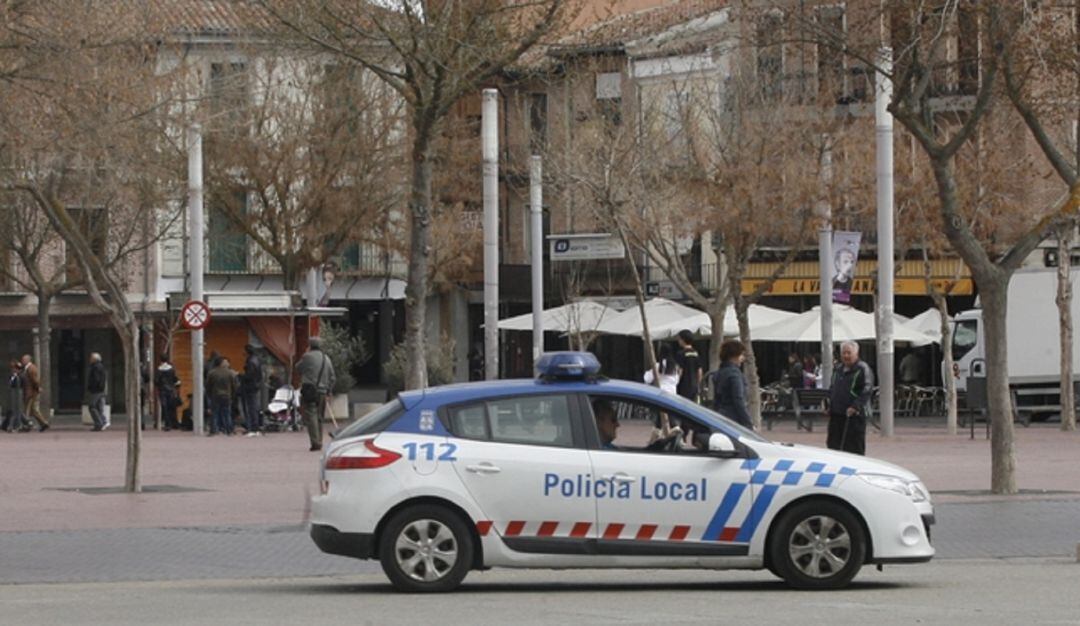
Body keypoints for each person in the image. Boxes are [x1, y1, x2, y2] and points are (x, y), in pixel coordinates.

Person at [828, 341, 874, 455]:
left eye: (849, 353)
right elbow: (832, 388)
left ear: (856, 353)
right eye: (844, 353)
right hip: (836, 415)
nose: (846, 356)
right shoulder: (838, 368)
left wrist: (855, 406)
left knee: (853, 448)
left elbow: (867, 389)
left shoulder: (862, 368)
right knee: (833, 447)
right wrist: (828, 403)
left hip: (853, 416)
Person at [298, 337, 335, 451]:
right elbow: (332, 377)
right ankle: (319, 440)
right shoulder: (326, 358)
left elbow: (297, 368)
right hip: (323, 392)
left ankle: (315, 442)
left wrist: (304, 355)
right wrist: (329, 390)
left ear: (310, 345)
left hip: (310, 391)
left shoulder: (307, 356)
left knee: (311, 415)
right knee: (319, 417)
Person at [712, 339, 754, 429]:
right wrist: (748, 423)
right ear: (734, 356)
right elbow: (738, 399)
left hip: (721, 415)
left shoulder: (719, 373)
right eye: (741, 355)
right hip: (734, 417)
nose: (742, 358)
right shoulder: (734, 374)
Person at [206, 356, 238, 435]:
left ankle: (213, 430)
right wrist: (233, 395)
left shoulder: (212, 373)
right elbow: (234, 386)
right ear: (222, 363)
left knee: (214, 414)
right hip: (227, 395)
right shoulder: (230, 373)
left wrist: (210, 395)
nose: (227, 363)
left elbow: (208, 385)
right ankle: (229, 430)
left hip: (215, 395)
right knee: (227, 413)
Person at [240, 344, 264, 436]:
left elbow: (250, 375)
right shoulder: (256, 360)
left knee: (251, 407)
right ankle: (255, 427)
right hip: (255, 386)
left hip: (250, 386)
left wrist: (241, 376)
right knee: (254, 406)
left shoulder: (251, 361)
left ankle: (253, 428)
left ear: (247, 352)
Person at [20, 354, 48, 432]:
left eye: (23, 360)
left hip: (31, 392)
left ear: (28, 360)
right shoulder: (27, 368)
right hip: (29, 391)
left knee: (27, 410)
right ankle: (43, 423)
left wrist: (38, 387)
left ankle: (27, 426)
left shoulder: (31, 368)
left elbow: (34, 379)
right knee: (33, 410)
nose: (22, 361)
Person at [674, 330, 702, 403]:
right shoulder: (696, 353)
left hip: (684, 385)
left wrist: (676, 382)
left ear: (683, 340)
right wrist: (698, 384)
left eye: (679, 339)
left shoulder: (680, 354)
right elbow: (699, 370)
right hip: (694, 385)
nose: (678, 341)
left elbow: (680, 370)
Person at [155, 355, 180, 431]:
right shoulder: (171, 369)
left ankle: (167, 423)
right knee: (170, 407)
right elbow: (175, 379)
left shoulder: (159, 370)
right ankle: (172, 423)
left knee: (164, 407)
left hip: (162, 390)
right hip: (171, 390)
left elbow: (156, 381)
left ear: (161, 360)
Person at [86, 353, 108, 432]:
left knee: (92, 406)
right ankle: (103, 422)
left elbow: (96, 379)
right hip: (101, 390)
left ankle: (99, 423)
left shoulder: (95, 368)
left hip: (96, 390)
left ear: (94, 359)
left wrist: (92, 387)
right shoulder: (102, 367)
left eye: (91, 358)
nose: (90, 359)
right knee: (99, 408)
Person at [4, 360, 26, 433]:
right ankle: (14, 425)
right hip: (12, 395)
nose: (14, 370)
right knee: (13, 411)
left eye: (16, 368)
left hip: (18, 394)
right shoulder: (12, 376)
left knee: (18, 411)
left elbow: (22, 385)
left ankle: (17, 425)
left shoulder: (20, 376)